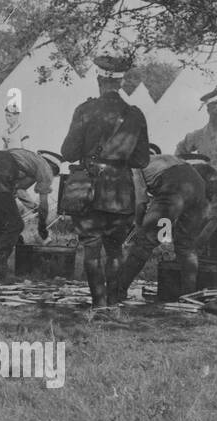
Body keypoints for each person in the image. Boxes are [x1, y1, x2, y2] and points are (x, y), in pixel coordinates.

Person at [59, 53, 151, 310]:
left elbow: (68, 153)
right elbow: (142, 160)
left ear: (99, 80)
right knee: (115, 249)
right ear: (121, 83)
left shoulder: (85, 110)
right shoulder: (135, 115)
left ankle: (98, 304)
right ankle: (112, 301)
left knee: (91, 247)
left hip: (89, 189)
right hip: (121, 191)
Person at [109, 150, 211, 301]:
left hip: (174, 189)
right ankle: (189, 296)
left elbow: (141, 202)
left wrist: (138, 224)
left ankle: (117, 292)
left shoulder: (135, 167)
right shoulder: (160, 159)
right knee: (186, 246)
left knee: (144, 243)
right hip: (198, 188)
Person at [0, 147, 56, 281]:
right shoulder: (46, 168)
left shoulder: (26, 159)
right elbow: (44, 205)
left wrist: (31, 206)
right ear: (53, 168)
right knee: (16, 225)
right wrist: (42, 227)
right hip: (2, 171)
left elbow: (19, 189)